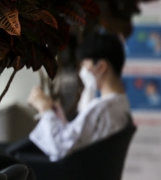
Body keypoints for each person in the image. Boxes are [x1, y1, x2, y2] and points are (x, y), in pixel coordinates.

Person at [25, 30, 131, 161]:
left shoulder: (102, 109)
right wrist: (57, 115)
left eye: (85, 64)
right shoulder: (119, 104)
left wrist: (45, 109)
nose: (82, 71)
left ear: (101, 66)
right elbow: (79, 139)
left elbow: (61, 147)